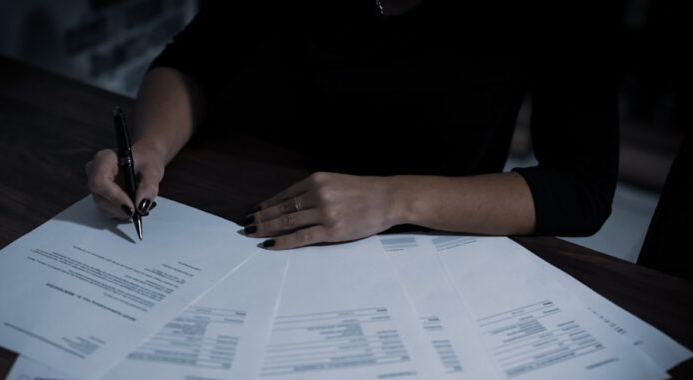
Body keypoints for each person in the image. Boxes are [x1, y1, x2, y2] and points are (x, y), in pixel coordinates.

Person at [86, 0, 619, 250]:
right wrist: (150, 146)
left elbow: (582, 188)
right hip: (238, 207)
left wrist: (394, 199)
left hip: (426, 242)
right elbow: (194, 60)